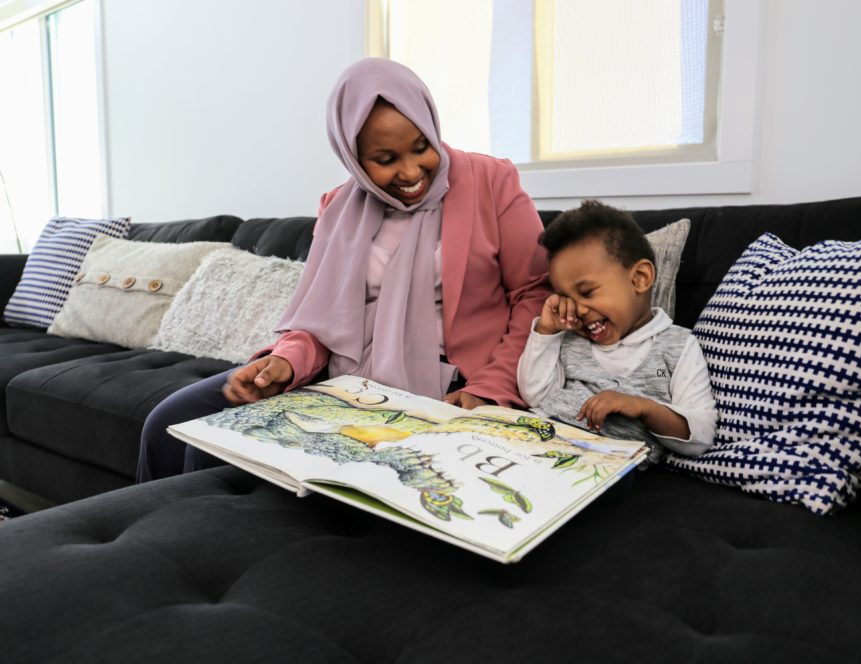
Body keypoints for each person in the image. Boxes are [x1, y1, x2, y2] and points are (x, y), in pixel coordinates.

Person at [137, 58, 551, 481]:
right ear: (353, 158)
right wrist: (284, 362)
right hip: (345, 378)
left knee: (212, 457)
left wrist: (492, 386)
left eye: (422, 147)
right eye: (385, 158)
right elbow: (322, 321)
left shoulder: (491, 181)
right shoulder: (338, 208)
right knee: (169, 425)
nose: (410, 172)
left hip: (452, 382)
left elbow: (535, 295)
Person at [516, 200, 716, 463]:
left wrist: (643, 407)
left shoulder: (678, 347)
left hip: (600, 465)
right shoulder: (570, 338)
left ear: (639, 278)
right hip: (532, 441)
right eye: (566, 297)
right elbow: (534, 394)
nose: (578, 309)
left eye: (587, 292)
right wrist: (546, 330)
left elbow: (701, 436)